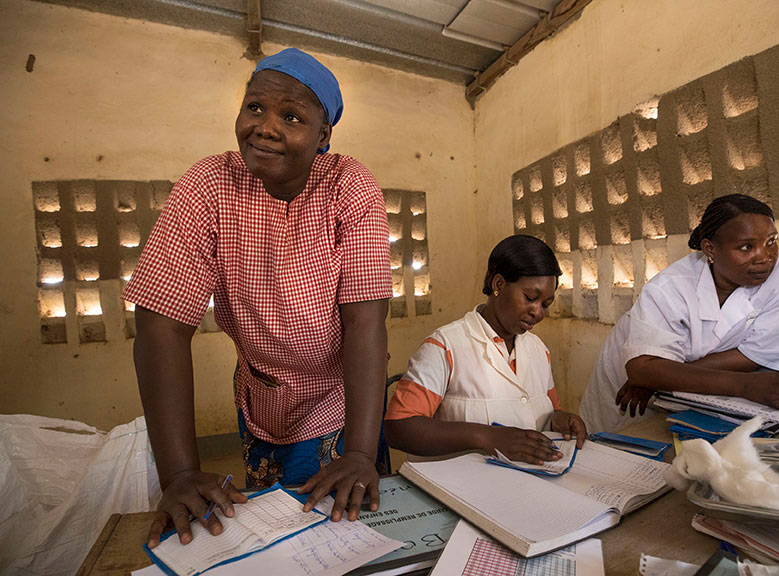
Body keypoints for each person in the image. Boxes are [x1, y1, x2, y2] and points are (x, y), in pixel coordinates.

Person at [124, 48, 392, 548]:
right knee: (274, 538)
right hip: (262, 400)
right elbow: (162, 324)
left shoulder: (349, 186)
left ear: (323, 136)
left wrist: (358, 452)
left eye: (291, 116)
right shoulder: (209, 184)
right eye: (254, 108)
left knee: (346, 537)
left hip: (342, 402)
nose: (265, 127)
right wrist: (180, 472)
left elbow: (364, 322)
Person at [579, 194, 779, 434]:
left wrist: (662, 377)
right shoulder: (671, 288)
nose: (765, 256)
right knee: (624, 449)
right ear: (710, 249)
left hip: (697, 394)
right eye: (746, 247)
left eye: (771, 241)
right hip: (629, 396)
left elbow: (758, 353)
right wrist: (653, 375)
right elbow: (641, 368)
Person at [383, 235, 587, 463]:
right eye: (530, 298)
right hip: (461, 488)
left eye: (545, 305)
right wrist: (487, 437)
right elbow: (399, 428)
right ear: (498, 284)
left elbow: (543, 412)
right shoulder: (445, 346)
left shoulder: (539, 350)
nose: (538, 312)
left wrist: (557, 419)